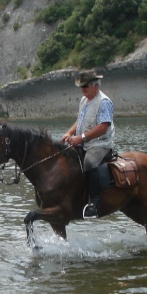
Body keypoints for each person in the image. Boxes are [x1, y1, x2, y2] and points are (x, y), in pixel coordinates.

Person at [61, 69, 115, 219]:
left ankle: (95, 205)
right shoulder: (84, 101)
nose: (83, 89)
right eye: (81, 87)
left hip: (100, 144)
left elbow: (103, 126)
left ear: (95, 86)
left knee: (89, 162)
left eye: (85, 86)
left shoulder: (103, 102)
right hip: (83, 141)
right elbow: (80, 120)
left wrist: (81, 138)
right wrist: (69, 133)